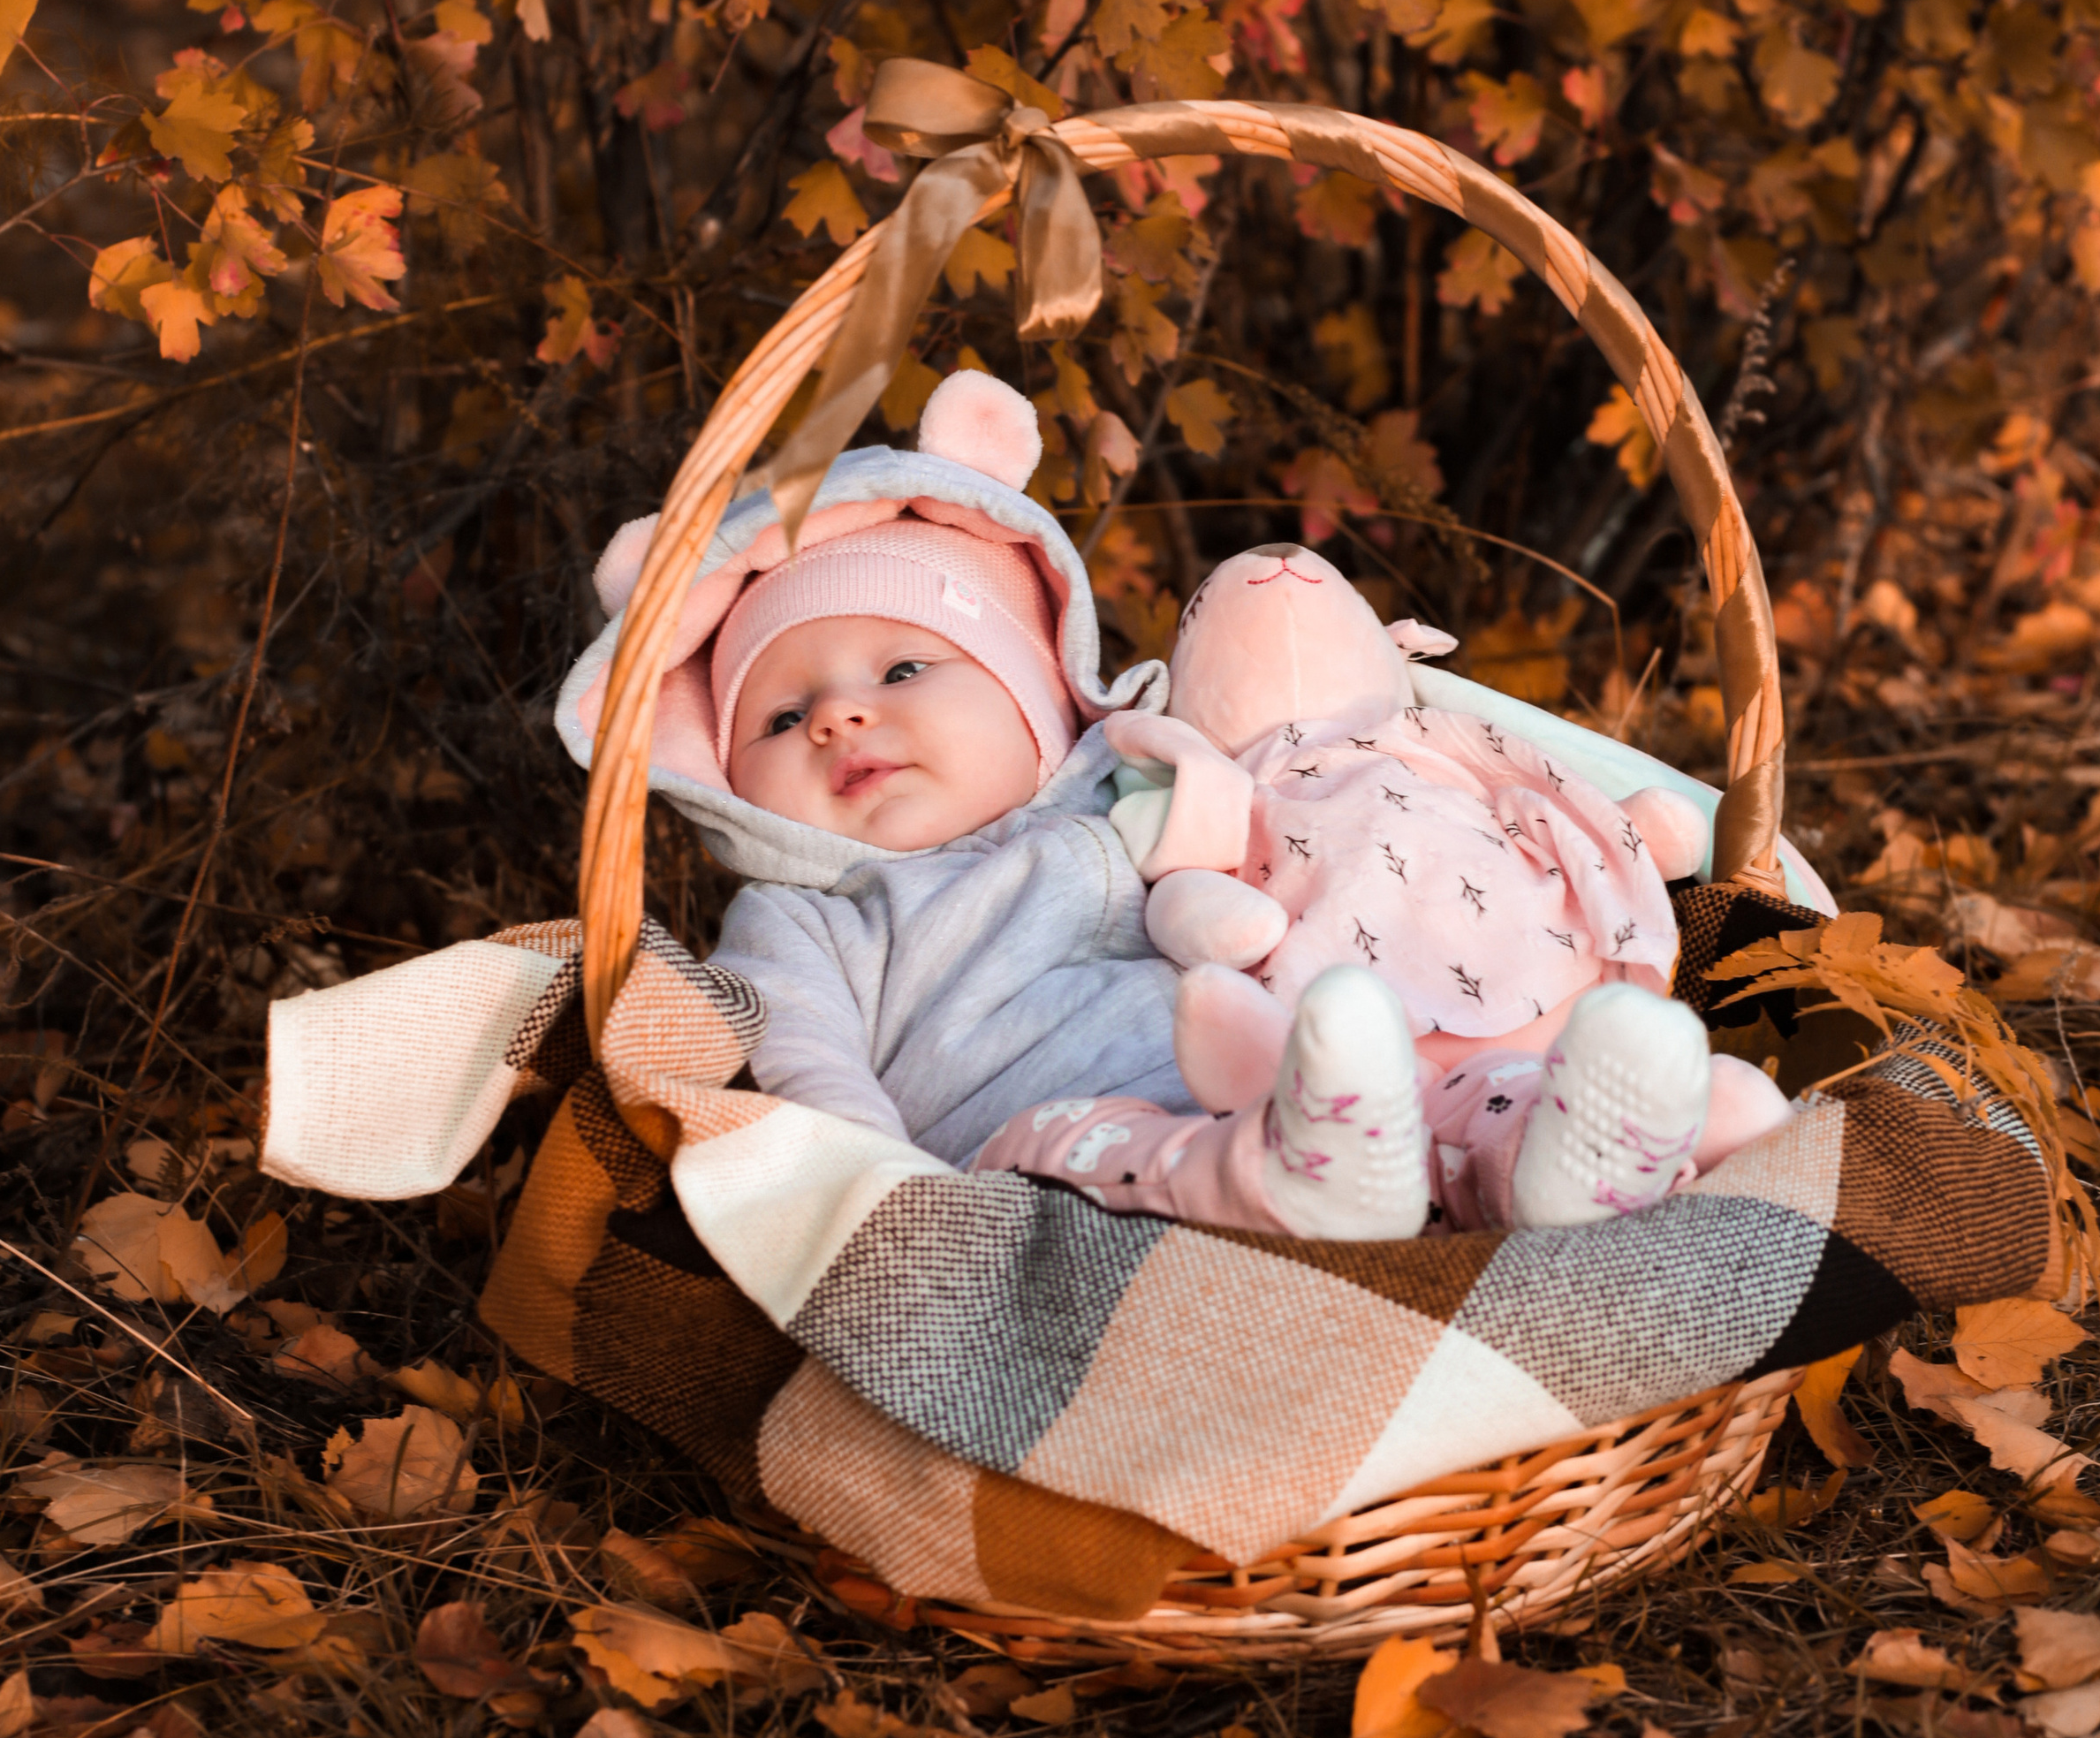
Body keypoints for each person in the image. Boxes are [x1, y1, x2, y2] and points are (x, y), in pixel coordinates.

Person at [555, 373, 1788, 1243]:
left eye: (906, 669)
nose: (838, 718)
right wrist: (882, 1208)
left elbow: (1337, 819)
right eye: (781, 718)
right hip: (1037, 1174)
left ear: (1038, 693)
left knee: (1441, 1090)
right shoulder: (809, 916)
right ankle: (1283, 1186)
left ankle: (1558, 1165)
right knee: (1093, 1146)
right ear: (725, 782)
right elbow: (804, 1063)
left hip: (1298, 1076)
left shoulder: (1143, 777)